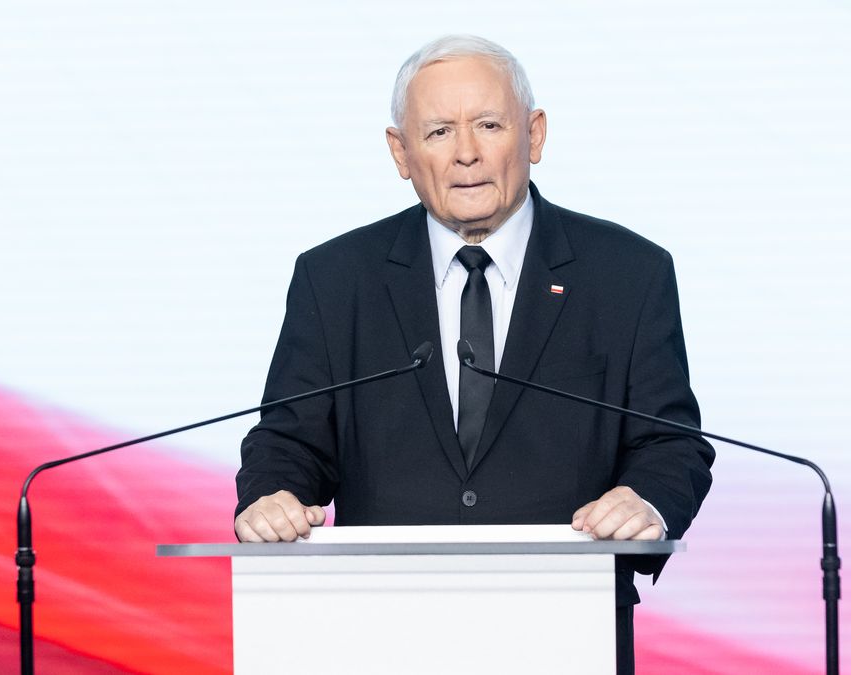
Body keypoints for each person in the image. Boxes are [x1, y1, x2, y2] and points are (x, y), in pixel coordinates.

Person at [234, 34, 713, 673]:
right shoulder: (335, 277)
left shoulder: (628, 273)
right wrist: (272, 497)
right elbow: (289, 441)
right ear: (400, 153)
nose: (465, 154)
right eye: (437, 132)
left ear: (535, 136)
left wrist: (645, 501)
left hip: (569, 628)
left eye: (489, 125)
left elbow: (671, 442)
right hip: (371, 628)